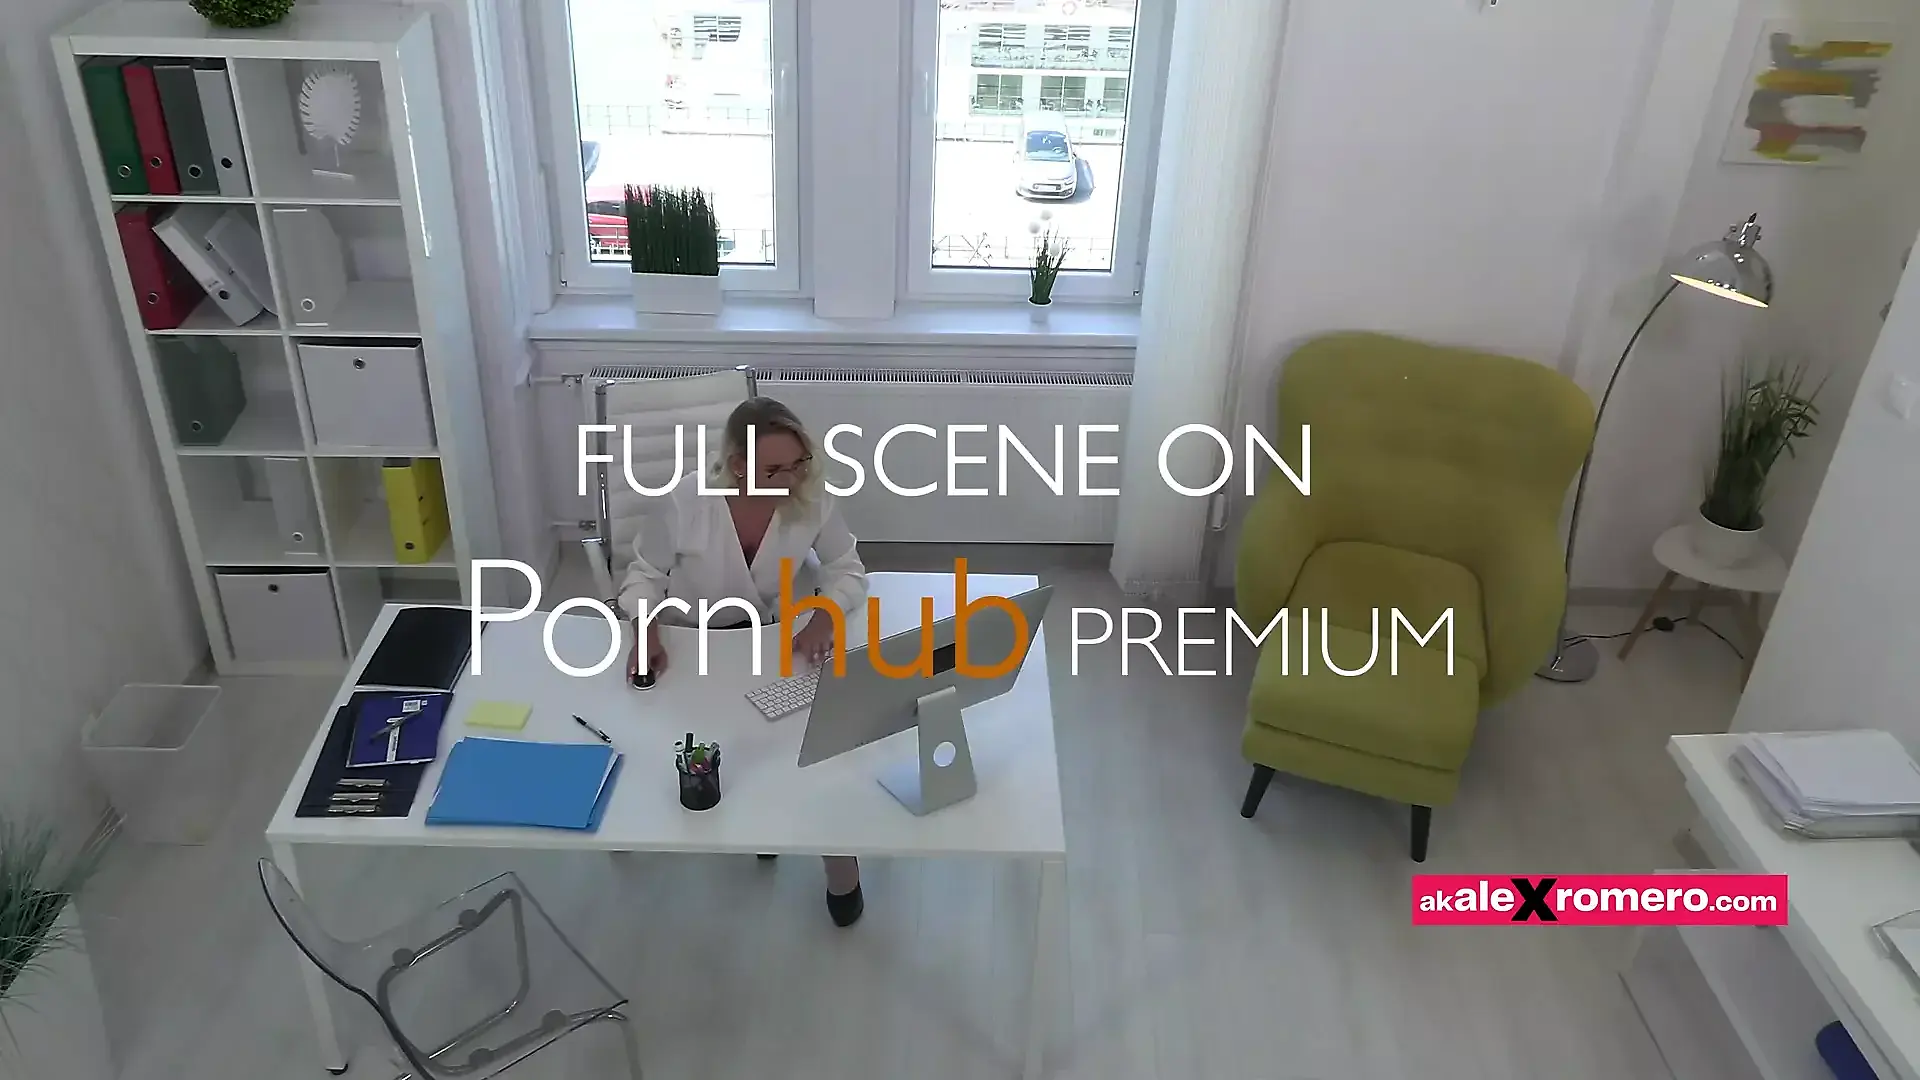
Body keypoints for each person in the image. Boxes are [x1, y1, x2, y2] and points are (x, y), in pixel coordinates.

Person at [618, 396, 870, 926]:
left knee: (810, 747)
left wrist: (825, 614)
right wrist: (646, 629)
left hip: (773, 639)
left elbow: (847, 570)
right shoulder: (685, 500)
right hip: (693, 643)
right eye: (774, 470)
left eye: (799, 463)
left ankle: (837, 854)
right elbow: (644, 576)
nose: (791, 479)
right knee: (693, 746)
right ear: (737, 464)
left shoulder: (811, 497)